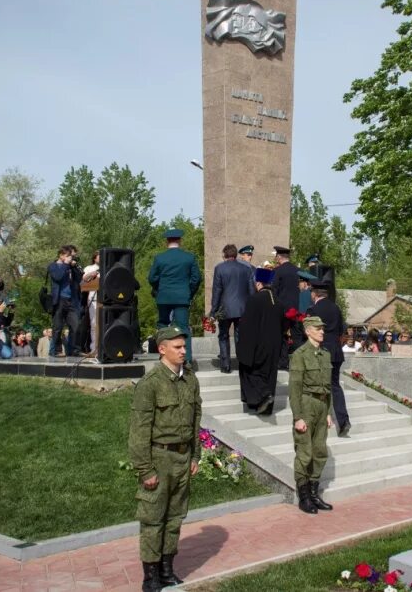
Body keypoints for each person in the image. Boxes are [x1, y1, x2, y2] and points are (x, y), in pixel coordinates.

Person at [128, 325, 200, 591]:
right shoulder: (151, 383)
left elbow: (195, 420)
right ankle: (151, 576)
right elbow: (139, 430)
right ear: (162, 349)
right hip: (159, 457)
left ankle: (168, 570)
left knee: (175, 517)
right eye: (178, 347)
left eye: (184, 346)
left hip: (182, 458)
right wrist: (145, 469)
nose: (183, 351)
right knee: (153, 519)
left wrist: (195, 454)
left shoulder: (190, 379)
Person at [289, 315, 334, 514]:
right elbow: (295, 387)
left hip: (322, 405)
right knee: (305, 453)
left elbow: (329, 386)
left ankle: (315, 494)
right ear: (308, 331)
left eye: (322, 328)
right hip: (306, 404)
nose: (322, 331)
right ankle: (304, 496)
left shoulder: (325, 354)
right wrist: (298, 416)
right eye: (318, 328)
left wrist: (328, 412)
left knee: (320, 451)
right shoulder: (300, 354)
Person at [236, 268, 287, 415]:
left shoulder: (254, 299)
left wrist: (242, 348)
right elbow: (284, 326)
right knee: (270, 375)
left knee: (251, 372)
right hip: (274, 346)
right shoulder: (278, 302)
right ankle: (265, 409)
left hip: (257, 345)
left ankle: (263, 397)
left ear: (258, 283)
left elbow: (246, 326)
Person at [148, 229, 202, 365]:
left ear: (167, 241)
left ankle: (163, 357)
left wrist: (158, 289)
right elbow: (196, 278)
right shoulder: (189, 257)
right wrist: (190, 292)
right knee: (183, 328)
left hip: (164, 297)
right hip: (182, 298)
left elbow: (152, 278)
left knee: (163, 325)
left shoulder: (159, 258)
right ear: (179, 240)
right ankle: (187, 359)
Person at [306, 281, 350, 437]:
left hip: (322, 351)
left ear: (314, 294)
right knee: (334, 385)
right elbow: (341, 330)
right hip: (336, 352)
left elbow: (311, 332)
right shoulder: (336, 308)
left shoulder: (314, 309)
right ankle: (343, 420)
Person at [210, 244, 254, 373]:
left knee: (223, 336)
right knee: (240, 337)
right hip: (242, 309)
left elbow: (217, 291)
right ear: (235, 255)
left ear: (225, 254)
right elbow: (252, 291)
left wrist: (213, 311)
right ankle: (243, 364)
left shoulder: (219, 268)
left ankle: (225, 365)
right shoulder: (246, 269)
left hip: (225, 309)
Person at [48, 245, 84, 358]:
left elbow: (79, 279)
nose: (70, 258)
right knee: (58, 327)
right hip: (59, 300)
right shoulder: (53, 266)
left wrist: (74, 267)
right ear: (61, 255)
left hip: (71, 300)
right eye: (68, 256)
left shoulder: (70, 267)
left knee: (76, 325)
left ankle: (74, 349)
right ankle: (55, 350)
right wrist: (65, 264)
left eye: (71, 256)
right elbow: (57, 277)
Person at [271, 246, 300, 371]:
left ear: (279, 257)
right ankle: (297, 361)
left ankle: (282, 361)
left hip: (282, 309)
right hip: (295, 309)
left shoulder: (278, 271)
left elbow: (274, 290)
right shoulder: (297, 270)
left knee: (281, 335)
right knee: (295, 336)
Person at [82, 252, 101, 358]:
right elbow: (84, 279)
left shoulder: (107, 267)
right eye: (99, 256)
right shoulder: (89, 267)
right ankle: (94, 348)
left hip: (105, 300)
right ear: (94, 258)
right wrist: (92, 273)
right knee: (94, 324)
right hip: (93, 298)